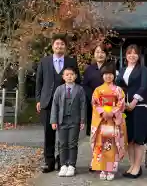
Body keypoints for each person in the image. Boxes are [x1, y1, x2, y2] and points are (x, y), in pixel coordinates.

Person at [35, 34, 81, 173]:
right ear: (52, 45)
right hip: (47, 102)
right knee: (48, 134)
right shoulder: (44, 61)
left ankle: (62, 160)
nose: (59, 46)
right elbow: (39, 81)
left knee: (65, 134)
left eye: (62, 44)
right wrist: (38, 99)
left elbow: (78, 82)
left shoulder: (71, 62)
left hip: (66, 104)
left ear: (65, 47)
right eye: (57, 44)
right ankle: (49, 161)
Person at [116, 44, 147, 179]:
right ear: (126, 55)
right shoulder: (122, 70)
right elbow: (118, 88)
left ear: (138, 56)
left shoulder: (143, 69)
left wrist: (134, 101)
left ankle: (137, 167)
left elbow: (144, 86)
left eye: (135, 53)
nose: (132, 55)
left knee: (138, 139)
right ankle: (132, 165)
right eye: (129, 53)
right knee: (129, 139)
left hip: (138, 107)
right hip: (125, 109)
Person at [90, 63, 127, 181]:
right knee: (100, 144)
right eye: (105, 74)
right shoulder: (98, 90)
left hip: (112, 121)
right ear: (102, 76)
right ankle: (102, 168)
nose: (108, 76)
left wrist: (112, 113)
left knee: (110, 145)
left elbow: (121, 103)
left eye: (110, 74)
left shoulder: (118, 90)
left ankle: (110, 169)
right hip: (102, 121)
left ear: (114, 76)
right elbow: (95, 103)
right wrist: (102, 112)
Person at [50, 67, 86, 177]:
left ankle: (71, 165)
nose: (69, 76)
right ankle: (63, 165)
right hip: (61, 121)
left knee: (72, 143)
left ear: (75, 76)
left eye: (71, 74)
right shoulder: (59, 89)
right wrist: (53, 120)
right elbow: (54, 106)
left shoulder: (79, 89)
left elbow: (83, 106)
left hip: (74, 121)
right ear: (63, 77)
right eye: (67, 74)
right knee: (62, 143)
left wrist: (82, 120)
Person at [82, 43, 109, 136]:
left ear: (106, 54)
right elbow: (84, 85)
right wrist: (93, 97)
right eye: (97, 52)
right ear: (94, 54)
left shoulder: (111, 67)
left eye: (102, 52)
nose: (100, 54)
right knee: (94, 133)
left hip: (108, 103)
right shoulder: (89, 69)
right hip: (93, 103)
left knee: (107, 132)